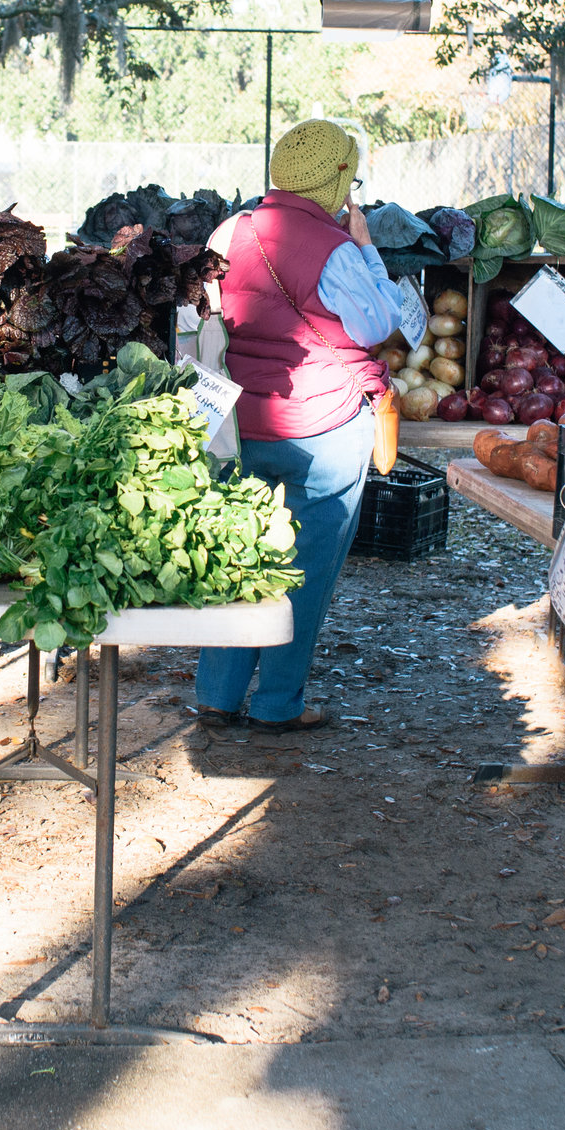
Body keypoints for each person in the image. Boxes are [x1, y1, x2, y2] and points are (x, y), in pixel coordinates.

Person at [194, 119, 395, 733]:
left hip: (238, 424)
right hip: (324, 427)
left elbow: (206, 322)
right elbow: (377, 324)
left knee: (240, 557)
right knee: (303, 571)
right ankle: (279, 704)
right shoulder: (335, 249)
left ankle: (217, 694)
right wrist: (365, 248)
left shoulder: (229, 230)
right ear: (337, 181)